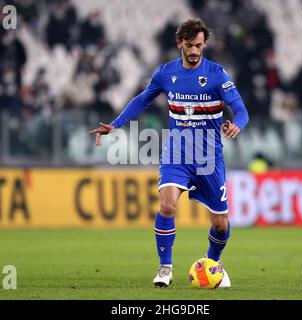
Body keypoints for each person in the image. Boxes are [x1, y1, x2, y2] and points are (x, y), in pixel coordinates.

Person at [89, 19, 249, 287]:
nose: (195, 51)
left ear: (205, 44)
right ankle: (165, 268)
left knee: (221, 224)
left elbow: (241, 111)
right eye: (189, 46)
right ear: (180, 44)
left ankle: (212, 263)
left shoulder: (218, 74)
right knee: (167, 204)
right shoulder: (165, 73)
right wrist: (115, 124)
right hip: (176, 150)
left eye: (199, 45)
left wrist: (237, 125)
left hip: (209, 157)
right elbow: (142, 99)